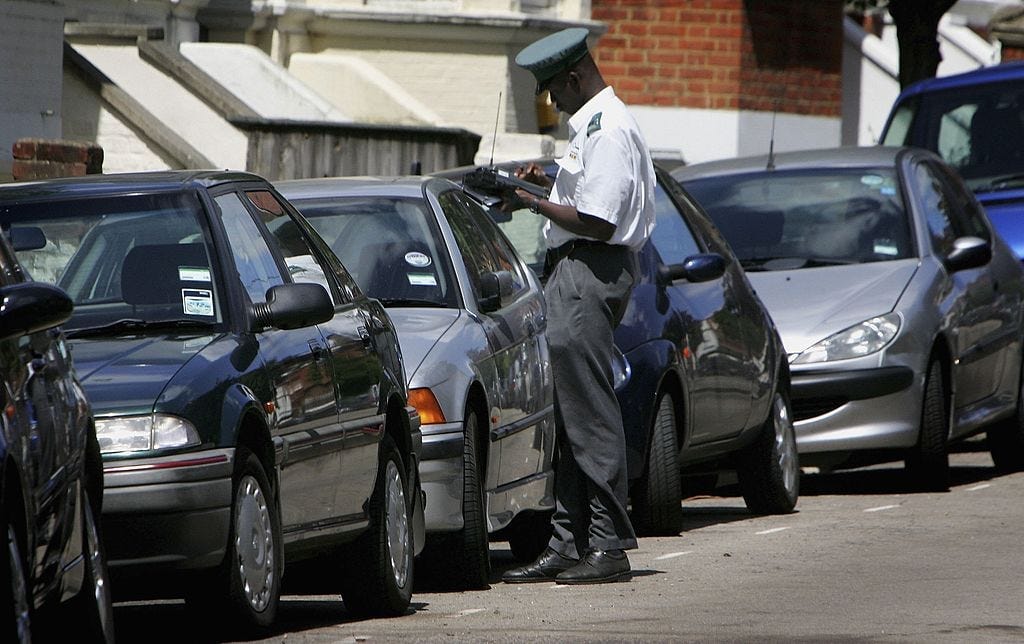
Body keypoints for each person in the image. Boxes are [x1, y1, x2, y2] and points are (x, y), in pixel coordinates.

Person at [500, 27, 656, 585]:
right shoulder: (593, 124)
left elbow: (599, 220)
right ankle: (569, 542)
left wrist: (533, 203)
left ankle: (608, 544)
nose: (551, 101)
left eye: (552, 89)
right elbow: (587, 196)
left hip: (591, 270)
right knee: (570, 414)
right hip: (576, 270)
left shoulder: (609, 127)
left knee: (589, 411)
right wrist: (549, 185)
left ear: (574, 77)